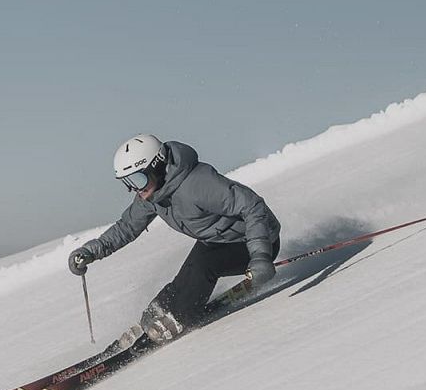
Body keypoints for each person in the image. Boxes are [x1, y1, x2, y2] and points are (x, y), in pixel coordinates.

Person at [68, 134, 281, 343]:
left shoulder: (198, 184)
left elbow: (252, 205)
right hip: (218, 241)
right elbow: (126, 227)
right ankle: (158, 314)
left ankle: (178, 318)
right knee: (185, 277)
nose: (135, 189)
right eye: (128, 183)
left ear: (157, 166)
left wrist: (261, 255)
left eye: (138, 180)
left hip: (258, 240)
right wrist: (91, 251)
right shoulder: (154, 195)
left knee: (203, 266)